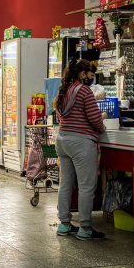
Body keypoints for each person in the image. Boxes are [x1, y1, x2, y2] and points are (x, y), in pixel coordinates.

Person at [55, 58, 106, 240]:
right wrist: (103, 121)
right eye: (90, 75)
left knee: (66, 184)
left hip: (62, 140)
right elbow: (95, 119)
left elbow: (61, 117)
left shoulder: (64, 90)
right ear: (82, 74)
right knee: (86, 186)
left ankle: (64, 224)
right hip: (81, 142)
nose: (91, 79)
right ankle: (85, 228)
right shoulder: (84, 90)